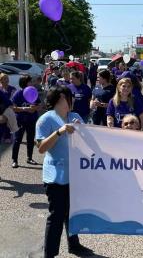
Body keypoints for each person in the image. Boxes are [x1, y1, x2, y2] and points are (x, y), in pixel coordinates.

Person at [35, 86, 92, 258]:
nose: (73, 100)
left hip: (74, 175)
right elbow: (41, 148)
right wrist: (59, 132)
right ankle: (50, 254)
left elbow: (88, 141)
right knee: (57, 216)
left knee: (72, 212)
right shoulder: (45, 120)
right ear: (61, 98)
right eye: (70, 97)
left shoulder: (74, 116)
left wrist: (82, 132)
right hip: (55, 177)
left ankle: (74, 245)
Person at [11, 75, 42, 168]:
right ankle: (14, 160)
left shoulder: (33, 92)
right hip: (20, 120)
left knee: (30, 140)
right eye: (30, 81)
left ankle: (29, 158)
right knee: (17, 140)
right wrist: (26, 108)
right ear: (25, 82)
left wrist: (35, 108)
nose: (32, 83)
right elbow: (13, 108)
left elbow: (40, 106)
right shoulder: (18, 93)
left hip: (32, 120)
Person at [0, 73, 17, 143]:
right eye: (5, 78)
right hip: (1, 108)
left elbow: (14, 100)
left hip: (9, 108)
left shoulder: (12, 89)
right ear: (1, 80)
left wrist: (12, 105)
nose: (7, 80)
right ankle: (3, 136)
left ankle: (7, 136)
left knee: (7, 116)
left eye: (7, 78)